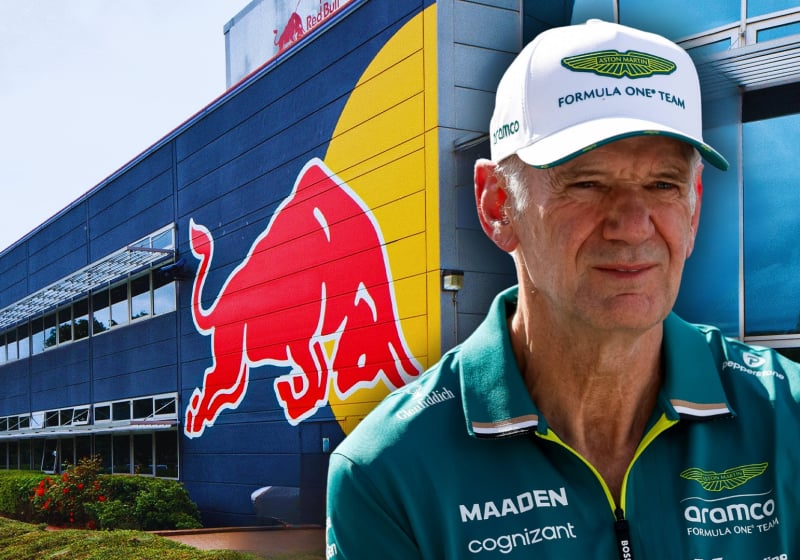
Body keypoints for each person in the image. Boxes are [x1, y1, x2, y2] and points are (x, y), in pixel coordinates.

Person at [325, 19, 800, 559]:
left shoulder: (788, 416)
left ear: (693, 209)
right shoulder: (388, 474)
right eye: (587, 183)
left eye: (662, 184)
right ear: (497, 205)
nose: (633, 225)